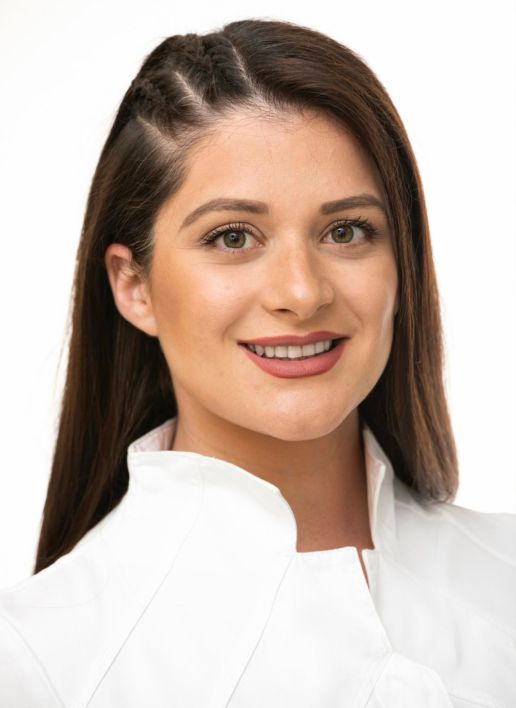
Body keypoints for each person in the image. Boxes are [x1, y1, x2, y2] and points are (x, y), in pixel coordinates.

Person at [0, 17, 514, 708]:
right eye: (233, 237)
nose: (301, 293)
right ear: (134, 286)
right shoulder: (39, 664)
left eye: (346, 231)